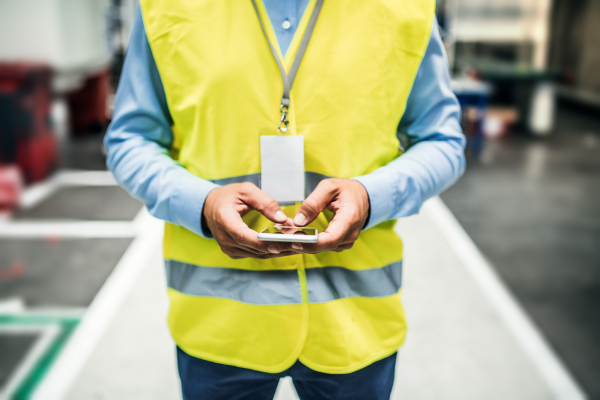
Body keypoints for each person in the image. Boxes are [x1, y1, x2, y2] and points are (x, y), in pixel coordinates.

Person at [105, 1, 465, 399]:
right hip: (220, 328)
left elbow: (443, 141)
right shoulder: (164, 6)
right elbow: (129, 140)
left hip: (354, 324)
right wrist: (203, 204)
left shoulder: (406, 7)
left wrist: (371, 196)